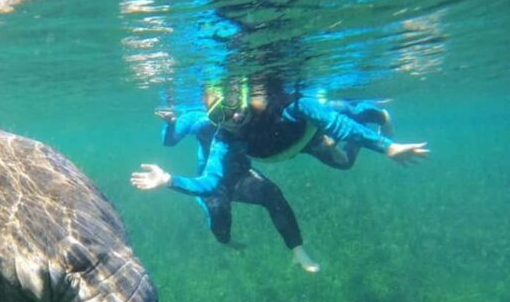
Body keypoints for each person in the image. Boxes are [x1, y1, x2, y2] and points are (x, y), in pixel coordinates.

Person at [131, 81, 429, 269]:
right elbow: (209, 181)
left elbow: (335, 124)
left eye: (232, 105)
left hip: (300, 138)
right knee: (339, 156)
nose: (233, 117)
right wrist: (168, 179)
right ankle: (289, 249)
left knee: (335, 120)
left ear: (243, 95)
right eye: (220, 115)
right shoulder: (224, 138)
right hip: (277, 152)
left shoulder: (286, 106)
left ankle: (372, 113)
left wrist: (388, 148)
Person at [152, 107, 320, 273]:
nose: (232, 113)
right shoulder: (197, 117)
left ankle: (298, 251)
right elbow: (169, 141)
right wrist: (171, 124)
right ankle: (226, 241)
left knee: (272, 193)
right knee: (220, 222)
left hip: (241, 175)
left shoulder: (247, 114)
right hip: (212, 182)